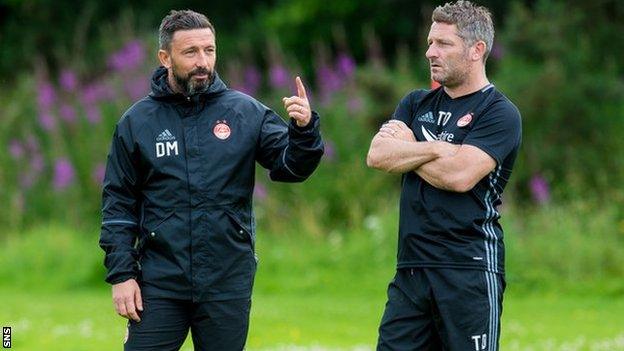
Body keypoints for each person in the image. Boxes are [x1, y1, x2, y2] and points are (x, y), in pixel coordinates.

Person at [99, 9, 323, 350]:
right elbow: (117, 204)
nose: (202, 61)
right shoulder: (136, 122)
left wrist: (304, 130)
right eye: (191, 52)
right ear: (165, 57)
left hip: (226, 280)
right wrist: (122, 274)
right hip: (158, 281)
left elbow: (291, 168)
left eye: (209, 50)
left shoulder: (245, 113)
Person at [366, 1, 521, 350]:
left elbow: (459, 175)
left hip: (469, 271)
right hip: (411, 269)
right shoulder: (415, 103)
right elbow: (377, 155)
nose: (429, 52)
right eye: (430, 42)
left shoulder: (499, 112)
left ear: (476, 50)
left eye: (443, 44)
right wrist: (437, 148)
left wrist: (411, 146)